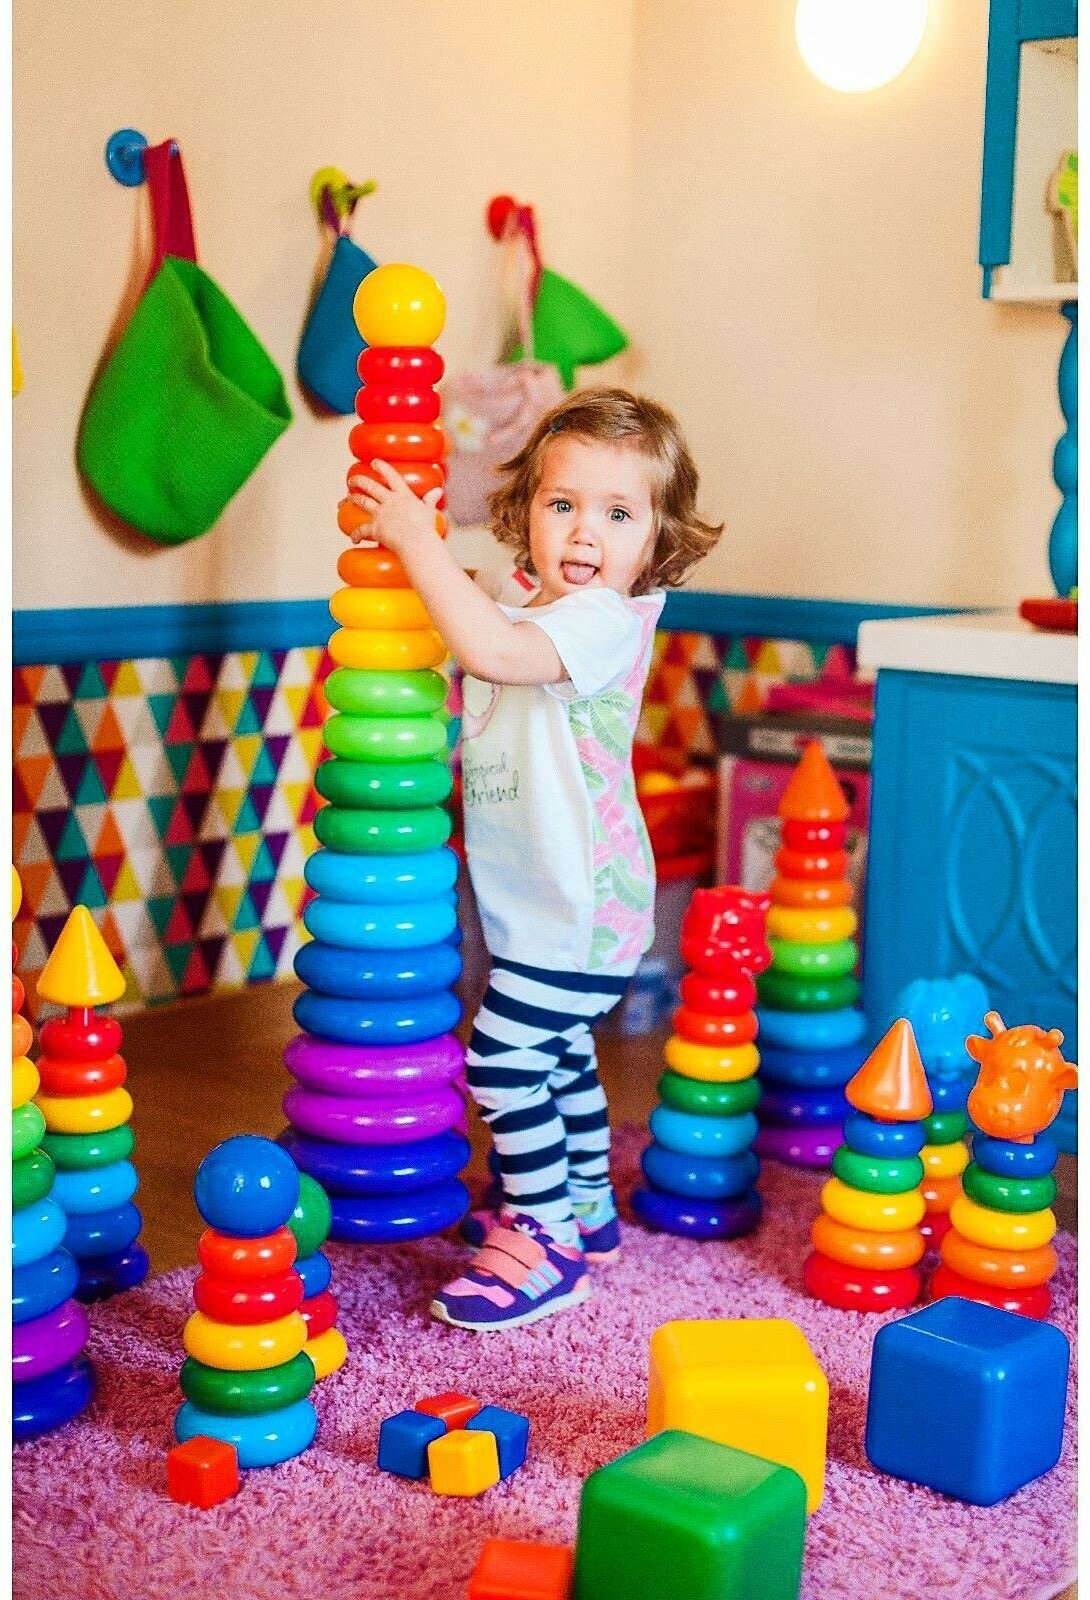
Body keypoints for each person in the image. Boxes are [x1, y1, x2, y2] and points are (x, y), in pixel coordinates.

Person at [347, 387, 723, 1329]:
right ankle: (586, 1207)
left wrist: (419, 545)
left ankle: (546, 1235)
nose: (585, 530)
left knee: (503, 1061)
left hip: (581, 909)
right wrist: (441, 564)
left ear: (657, 541)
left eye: (619, 513)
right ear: (526, 513)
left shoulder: (603, 619)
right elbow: (493, 614)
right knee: (556, 1057)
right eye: (563, 504)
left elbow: (493, 650)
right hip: (548, 901)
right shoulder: (540, 603)